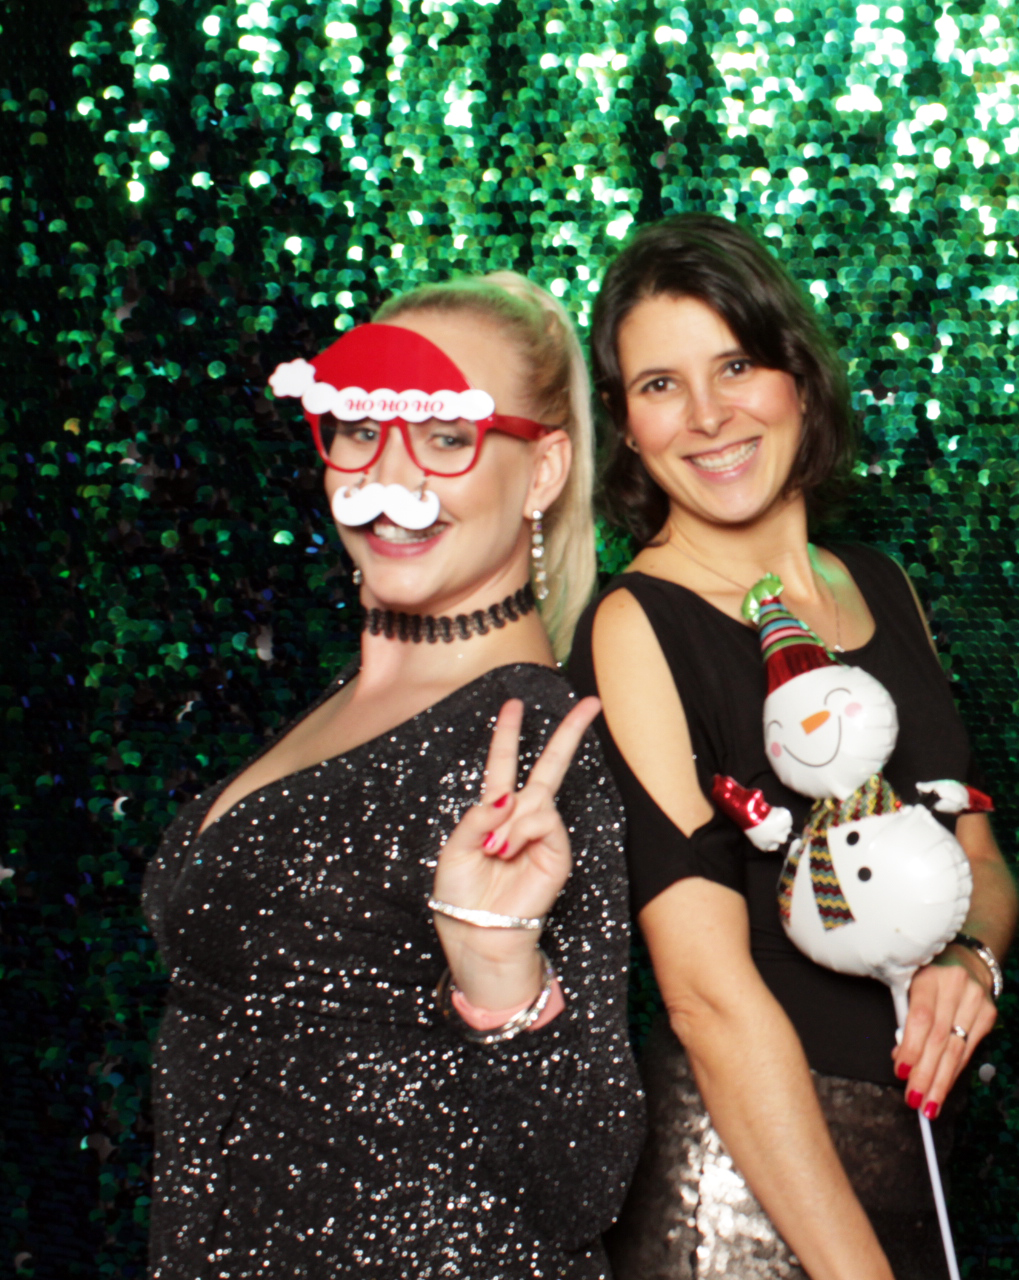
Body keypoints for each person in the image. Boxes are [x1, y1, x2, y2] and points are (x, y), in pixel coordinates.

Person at [143, 273, 643, 1277]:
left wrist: (502, 977)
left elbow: (582, 1181)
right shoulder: (341, 706)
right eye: (361, 426)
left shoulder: (525, 734)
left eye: (446, 435)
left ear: (543, 469)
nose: (390, 474)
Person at [570, 213, 1019, 1280]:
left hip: (917, 1152)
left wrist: (975, 958)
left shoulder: (880, 583)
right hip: (741, 1183)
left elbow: (982, 859)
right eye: (659, 384)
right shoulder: (637, 623)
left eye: (735, 363)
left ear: (801, 380)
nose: (708, 415)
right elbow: (704, 993)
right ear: (626, 426)